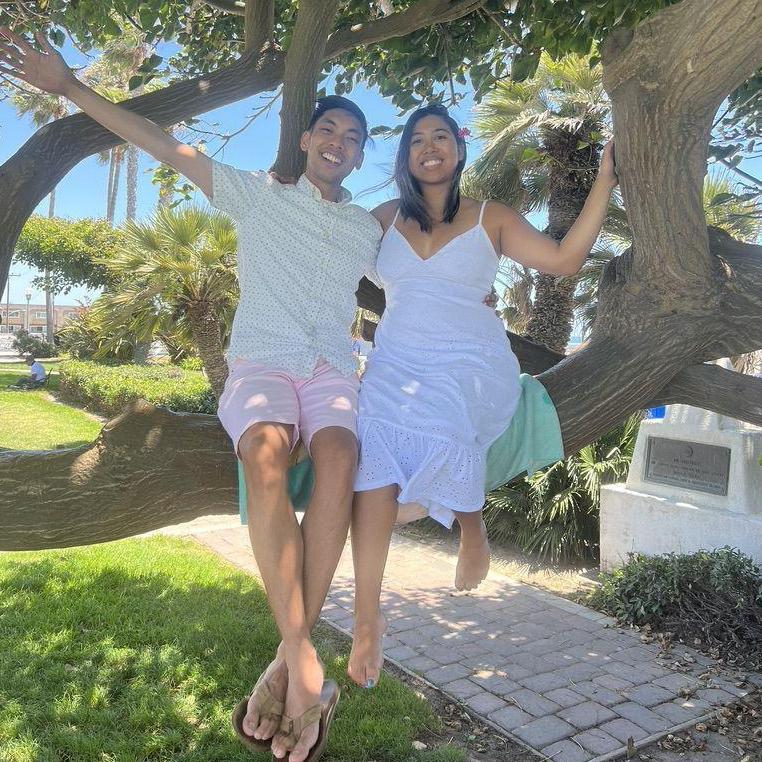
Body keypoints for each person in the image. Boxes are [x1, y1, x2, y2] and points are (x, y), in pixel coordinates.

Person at [0, 27, 380, 762]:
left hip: (333, 371)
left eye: (353, 135)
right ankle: (304, 658)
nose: (338, 140)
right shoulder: (258, 197)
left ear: (360, 155)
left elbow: (421, 278)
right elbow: (159, 141)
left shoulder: (368, 228)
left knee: (339, 455)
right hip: (265, 365)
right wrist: (72, 89)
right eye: (327, 127)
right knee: (265, 455)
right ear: (306, 141)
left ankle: (288, 662)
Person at [346, 104, 618, 690]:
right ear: (405, 158)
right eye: (417, 139)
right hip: (396, 360)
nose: (429, 145)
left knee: (443, 413)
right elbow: (323, 262)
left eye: (440, 135)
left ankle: (471, 526)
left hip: (472, 361)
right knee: (371, 457)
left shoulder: (492, 218)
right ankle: (367, 619)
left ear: (459, 150)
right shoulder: (382, 218)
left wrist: (604, 180)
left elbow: (565, 261)